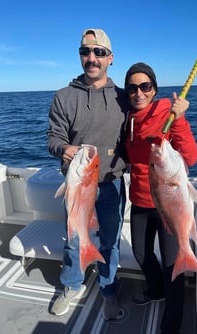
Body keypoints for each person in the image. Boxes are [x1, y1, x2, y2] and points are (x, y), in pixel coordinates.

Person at [47, 28, 128, 320]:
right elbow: (53, 137)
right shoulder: (64, 96)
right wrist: (63, 148)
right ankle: (71, 284)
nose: (91, 58)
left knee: (110, 240)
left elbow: (140, 133)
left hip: (111, 185)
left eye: (99, 52)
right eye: (86, 52)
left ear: (110, 58)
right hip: (77, 184)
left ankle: (108, 286)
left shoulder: (123, 98)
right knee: (73, 238)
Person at [124, 62, 197, 333]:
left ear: (154, 88)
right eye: (132, 88)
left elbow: (190, 157)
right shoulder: (128, 118)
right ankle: (155, 291)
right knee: (141, 254)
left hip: (169, 204)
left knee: (173, 266)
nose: (138, 93)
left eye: (145, 86)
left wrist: (178, 120)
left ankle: (171, 325)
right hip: (141, 202)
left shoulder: (168, 111)